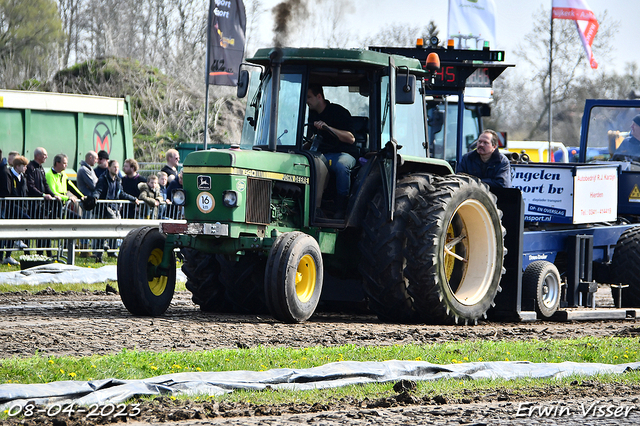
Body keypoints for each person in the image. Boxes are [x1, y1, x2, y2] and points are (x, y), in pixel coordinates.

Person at [306, 84, 357, 218]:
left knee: (341, 165)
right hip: (322, 154)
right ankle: (313, 207)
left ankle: (341, 208)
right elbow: (312, 138)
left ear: (319, 96)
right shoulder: (312, 115)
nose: (306, 101)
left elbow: (351, 138)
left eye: (309, 97)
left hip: (344, 153)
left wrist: (328, 128)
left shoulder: (339, 112)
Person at [92, 160, 141, 262]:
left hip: (115, 207)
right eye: (114, 167)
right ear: (109, 168)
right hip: (104, 208)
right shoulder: (103, 179)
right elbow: (98, 190)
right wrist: (95, 198)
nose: (116, 169)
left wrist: (133, 198)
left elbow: (121, 193)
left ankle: (111, 251)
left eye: (117, 167)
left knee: (117, 227)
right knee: (107, 229)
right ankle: (99, 254)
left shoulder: (118, 180)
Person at [25, 147, 61, 257]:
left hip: (40, 205)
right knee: (29, 230)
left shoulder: (41, 168)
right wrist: (42, 195)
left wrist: (54, 195)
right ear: (38, 156)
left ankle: (41, 252)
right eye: (44, 155)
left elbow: (45, 185)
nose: (47, 156)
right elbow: (30, 185)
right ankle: (27, 253)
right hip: (31, 205)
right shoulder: (30, 168)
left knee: (42, 229)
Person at [45, 154, 85, 219]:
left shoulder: (63, 174)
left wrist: (82, 196)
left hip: (62, 205)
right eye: (64, 163)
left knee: (78, 218)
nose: (66, 165)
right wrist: (68, 198)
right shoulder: (49, 175)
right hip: (53, 206)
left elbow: (71, 186)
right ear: (57, 163)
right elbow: (53, 192)